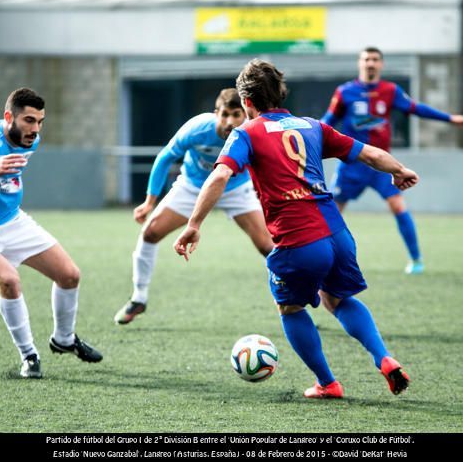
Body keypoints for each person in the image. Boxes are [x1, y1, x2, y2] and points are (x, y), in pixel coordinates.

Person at [174, 59, 416, 399]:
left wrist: (194, 224)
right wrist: (399, 170)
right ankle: (384, 357)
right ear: (281, 93)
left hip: (298, 240)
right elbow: (369, 154)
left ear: (247, 101)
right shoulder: (312, 126)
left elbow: (220, 175)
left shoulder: (247, 132)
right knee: (338, 298)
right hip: (337, 235)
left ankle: (327, 383)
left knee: (290, 308)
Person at [0, 87, 102, 379]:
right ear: (8, 118)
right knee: (9, 280)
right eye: (29, 120)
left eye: (40, 121)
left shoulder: (31, 140)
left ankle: (64, 339)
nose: (35, 129)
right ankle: (29, 355)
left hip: (12, 221)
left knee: (69, 275)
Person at [114, 88, 274, 325]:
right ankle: (139, 297)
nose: (230, 121)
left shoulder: (252, 132)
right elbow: (165, 158)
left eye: (236, 115)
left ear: (245, 115)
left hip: (236, 189)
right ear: (216, 113)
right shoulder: (198, 128)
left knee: (268, 247)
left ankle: (291, 302)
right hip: (192, 187)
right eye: (225, 114)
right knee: (150, 233)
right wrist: (149, 202)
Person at [322, 46, 463, 274]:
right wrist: (306, 134)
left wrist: (451, 119)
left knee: (398, 206)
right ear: (360, 63)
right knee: (334, 211)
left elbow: (417, 109)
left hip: (382, 165)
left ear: (381, 64)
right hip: (352, 164)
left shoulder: (390, 91)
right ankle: (324, 260)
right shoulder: (345, 92)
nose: (370, 63)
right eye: (366, 59)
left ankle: (416, 260)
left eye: (375, 59)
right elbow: (327, 121)